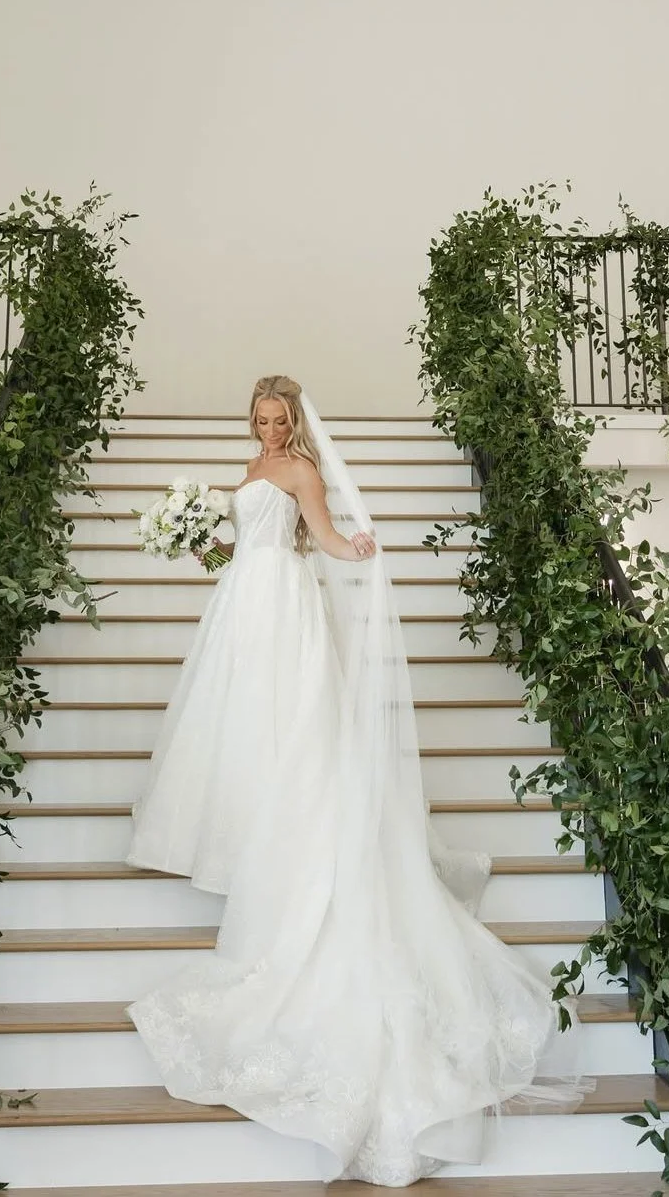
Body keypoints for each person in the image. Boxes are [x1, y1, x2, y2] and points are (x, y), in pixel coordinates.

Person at [125, 374, 585, 1187]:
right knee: (242, 718)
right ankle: (252, 825)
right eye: (261, 420)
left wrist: (359, 550)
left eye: (279, 420)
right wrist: (203, 545)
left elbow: (323, 537)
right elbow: (248, 545)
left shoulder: (300, 469)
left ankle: (289, 835)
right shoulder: (249, 468)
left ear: (295, 420)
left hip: (282, 604)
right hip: (243, 598)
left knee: (290, 719)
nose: (270, 430)